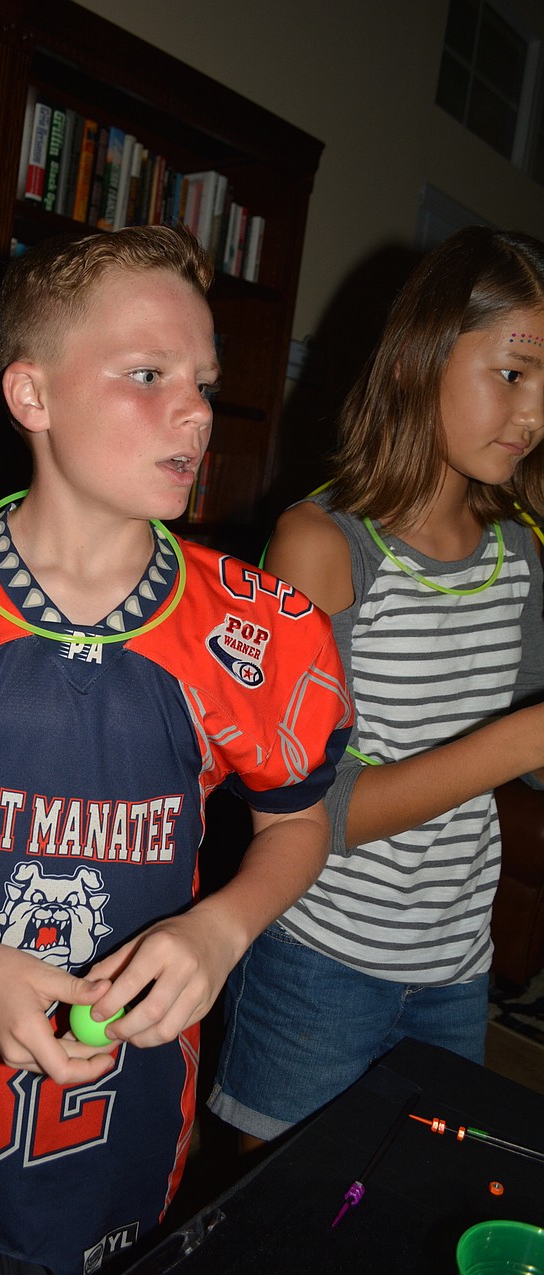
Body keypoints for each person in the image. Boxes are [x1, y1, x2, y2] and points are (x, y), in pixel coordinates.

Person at [0, 223, 352, 1275]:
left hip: (135, 1090)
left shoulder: (261, 633)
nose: (194, 410)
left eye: (205, 381)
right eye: (149, 374)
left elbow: (297, 824)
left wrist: (221, 930)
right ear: (32, 397)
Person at [209, 225, 544, 1152]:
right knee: (277, 1222)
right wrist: (523, 742)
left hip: (455, 968)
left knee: (401, 1205)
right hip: (317, 964)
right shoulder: (321, 546)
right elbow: (326, 808)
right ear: (418, 360)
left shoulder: (516, 552)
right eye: (514, 372)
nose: (533, 412)